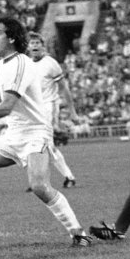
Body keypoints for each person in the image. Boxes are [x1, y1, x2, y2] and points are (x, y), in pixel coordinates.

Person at [0, 17, 93, 249]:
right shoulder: (2, 64)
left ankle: (78, 232)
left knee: (39, 186)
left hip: (35, 134)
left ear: (12, 37)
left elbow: (6, 106)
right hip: (14, 134)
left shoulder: (22, 63)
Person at [27, 32, 78, 189]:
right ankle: (37, 180)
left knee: (46, 144)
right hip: (33, 108)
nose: (35, 46)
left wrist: (72, 111)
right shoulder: (27, 64)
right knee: (31, 144)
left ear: (43, 46)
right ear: (28, 47)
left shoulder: (51, 63)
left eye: (38, 43)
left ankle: (68, 177)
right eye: (32, 43)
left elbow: (64, 88)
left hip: (48, 106)